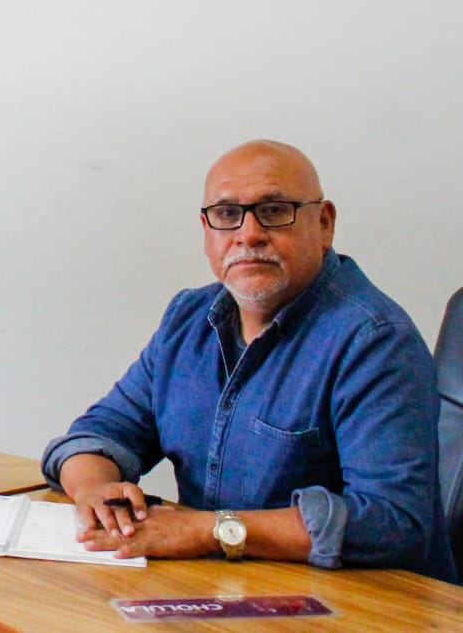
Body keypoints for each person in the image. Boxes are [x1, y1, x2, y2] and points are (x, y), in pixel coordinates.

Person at [42, 140, 455, 582]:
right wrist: (95, 491)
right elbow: (99, 433)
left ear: (324, 223)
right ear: (207, 231)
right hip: (224, 590)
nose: (249, 234)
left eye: (275, 211)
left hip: (362, 603)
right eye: (227, 214)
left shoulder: (374, 340)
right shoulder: (188, 319)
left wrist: (206, 531)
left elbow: (392, 522)